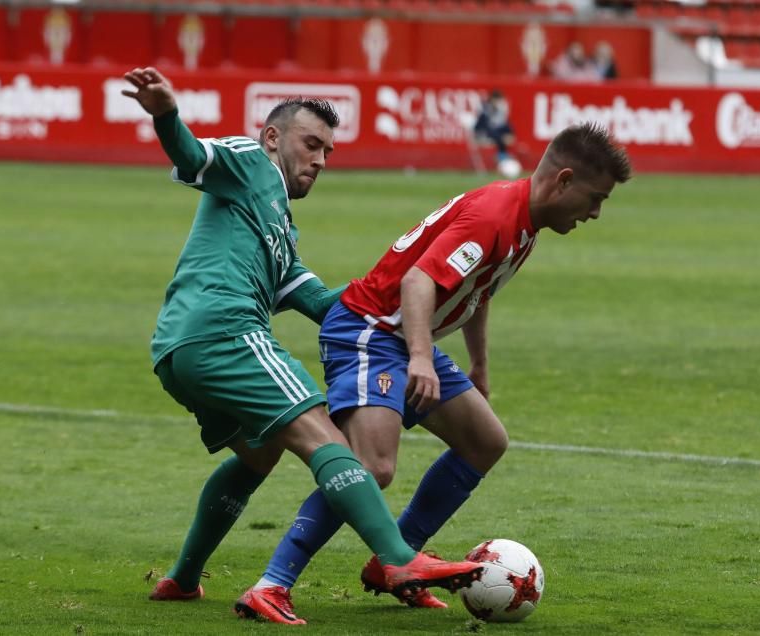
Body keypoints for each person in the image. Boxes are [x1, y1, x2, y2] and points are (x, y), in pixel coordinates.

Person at [121, 66, 484, 625]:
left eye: (328, 151)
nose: (320, 159)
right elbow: (193, 157)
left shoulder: (279, 229)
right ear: (273, 137)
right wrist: (166, 112)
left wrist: (416, 275)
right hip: (224, 331)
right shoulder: (249, 160)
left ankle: (183, 579)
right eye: (311, 144)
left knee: (259, 454)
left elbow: (329, 304)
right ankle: (399, 559)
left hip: (179, 348)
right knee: (322, 433)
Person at [237, 122, 631, 622]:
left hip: (404, 337)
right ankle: (272, 584)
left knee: (486, 440)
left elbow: (474, 292)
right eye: (594, 198)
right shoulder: (494, 215)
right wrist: (421, 357)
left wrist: (479, 365)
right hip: (370, 330)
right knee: (372, 466)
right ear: (564, 180)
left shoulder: (524, 223)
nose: (595, 212)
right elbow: (420, 280)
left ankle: (395, 560)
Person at [473, 89, 516, 165]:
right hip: (483, 130)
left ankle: (503, 153)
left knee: (507, 127)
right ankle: (502, 154)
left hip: (495, 129)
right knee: (497, 133)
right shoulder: (485, 107)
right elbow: (485, 124)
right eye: (497, 100)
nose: (498, 102)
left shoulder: (501, 108)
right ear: (492, 99)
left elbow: (502, 123)